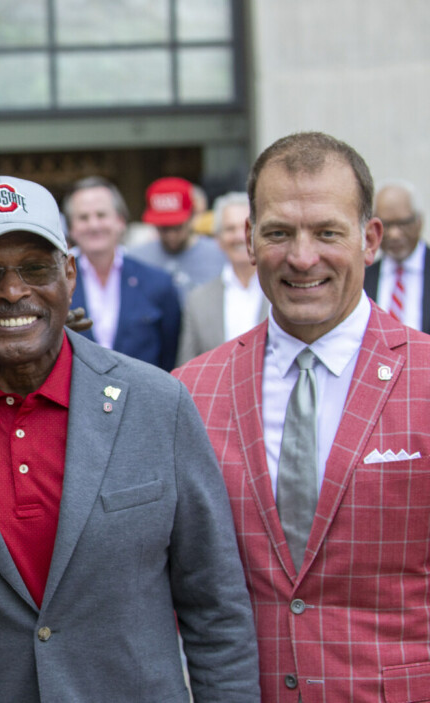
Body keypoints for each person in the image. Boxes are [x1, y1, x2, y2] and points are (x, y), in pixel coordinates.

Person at [0, 174, 258, 701]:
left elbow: (217, 610)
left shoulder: (157, 405)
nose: (13, 291)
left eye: (35, 268)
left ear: (69, 274)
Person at [174, 132, 430, 701]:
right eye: (279, 232)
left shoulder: (426, 380)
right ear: (249, 239)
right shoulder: (189, 394)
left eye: (327, 233)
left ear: (370, 240)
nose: (302, 256)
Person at [66, 176, 181, 371]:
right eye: (83, 218)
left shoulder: (158, 283)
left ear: (120, 221)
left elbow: (171, 355)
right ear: (71, 229)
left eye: (101, 215)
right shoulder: (57, 282)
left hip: (143, 397)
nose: (94, 225)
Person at [177, 192, 269, 365]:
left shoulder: (281, 290)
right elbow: (187, 369)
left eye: (246, 227)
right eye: (230, 229)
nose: (239, 236)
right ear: (218, 239)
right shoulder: (198, 300)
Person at [130, 176, 228, 300]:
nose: (171, 235)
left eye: (177, 227)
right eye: (164, 228)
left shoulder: (219, 254)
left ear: (193, 216)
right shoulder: (137, 259)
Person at [363, 179, 428, 330]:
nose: (394, 234)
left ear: (419, 221)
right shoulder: (362, 278)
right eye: (386, 225)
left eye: (403, 223)